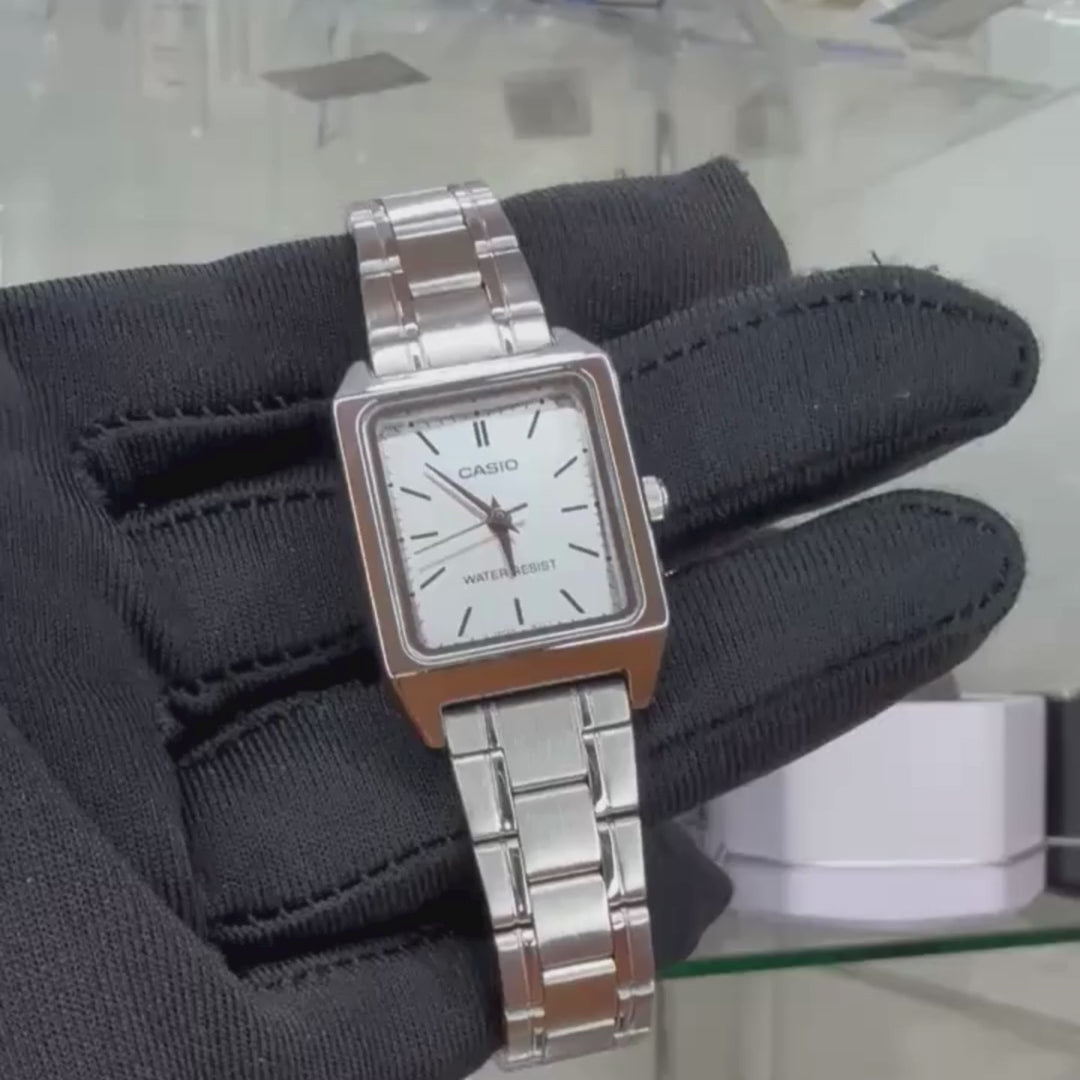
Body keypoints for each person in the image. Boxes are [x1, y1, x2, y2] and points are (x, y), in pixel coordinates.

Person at [0, 159, 1035, 1080]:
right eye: (488, 513)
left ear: (641, 497)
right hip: (457, 666)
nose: (499, 518)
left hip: (564, 644)